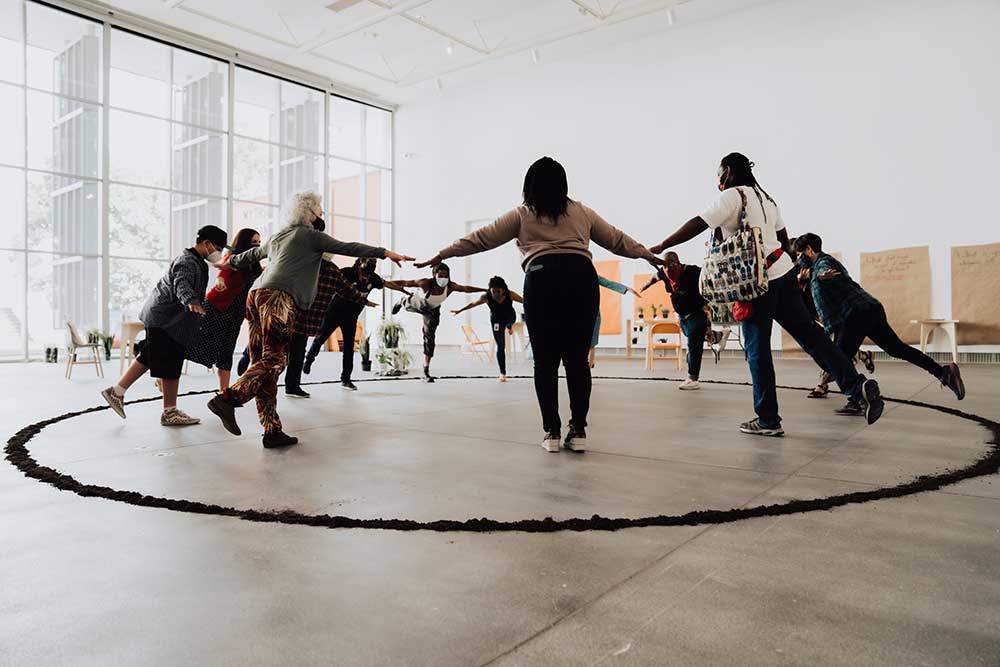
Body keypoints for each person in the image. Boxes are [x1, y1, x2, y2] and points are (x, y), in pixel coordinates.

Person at [417, 156, 663, 453]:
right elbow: (616, 239)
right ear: (563, 184)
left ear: (528, 186)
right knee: (576, 359)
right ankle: (579, 429)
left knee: (545, 361)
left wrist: (441, 254)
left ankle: (552, 432)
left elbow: (480, 239)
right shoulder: (581, 212)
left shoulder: (522, 214)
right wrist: (648, 255)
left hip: (542, 278)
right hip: (581, 278)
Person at [650, 152, 884, 436]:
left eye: (719, 173)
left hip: (755, 284)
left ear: (728, 172)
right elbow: (786, 242)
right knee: (812, 336)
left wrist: (663, 244)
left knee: (757, 350)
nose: (718, 179)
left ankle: (768, 419)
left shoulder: (733, 196)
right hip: (783, 274)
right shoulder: (767, 200)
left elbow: (700, 222)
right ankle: (857, 387)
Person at [205, 191, 413, 449]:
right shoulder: (311, 236)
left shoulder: (280, 236)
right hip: (279, 298)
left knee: (263, 365)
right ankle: (228, 398)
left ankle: (272, 430)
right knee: (275, 360)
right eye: (320, 212)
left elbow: (250, 256)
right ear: (310, 214)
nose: (322, 215)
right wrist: (385, 252)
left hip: (256, 295)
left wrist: (227, 264)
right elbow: (348, 248)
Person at [794, 232, 965, 412]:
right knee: (897, 349)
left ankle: (858, 398)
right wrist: (804, 283)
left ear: (809, 250)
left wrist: (823, 275)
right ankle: (944, 373)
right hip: (869, 308)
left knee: (837, 360)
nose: (798, 260)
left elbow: (825, 272)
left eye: (799, 255)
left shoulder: (823, 264)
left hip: (855, 314)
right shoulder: (811, 272)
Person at [101, 225, 229, 426]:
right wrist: (190, 301)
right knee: (171, 361)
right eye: (219, 247)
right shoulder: (187, 261)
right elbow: (182, 284)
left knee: (149, 356)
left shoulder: (196, 261)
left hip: (166, 318)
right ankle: (169, 411)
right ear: (206, 244)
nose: (219, 252)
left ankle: (116, 392)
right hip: (166, 319)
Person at [302, 257, 410, 390]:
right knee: (320, 339)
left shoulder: (373, 278)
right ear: (361, 261)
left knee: (349, 348)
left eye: (375, 262)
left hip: (351, 317)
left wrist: (401, 289)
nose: (373, 264)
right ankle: (309, 358)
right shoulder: (347, 272)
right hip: (334, 313)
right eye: (371, 261)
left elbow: (387, 284)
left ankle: (346, 379)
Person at [283, 252, 375, 399]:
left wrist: (365, 301)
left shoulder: (332, 271)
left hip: (325, 318)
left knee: (297, 353)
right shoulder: (331, 270)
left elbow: (349, 290)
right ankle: (302, 368)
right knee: (298, 348)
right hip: (314, 315)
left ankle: (294, 385)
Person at [185, 228, 263, 391]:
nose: (256, 246)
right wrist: (220, 281)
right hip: (216, 308)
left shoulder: (255, 266)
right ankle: (164, 376)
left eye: (258, 243)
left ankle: (223, 393)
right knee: (195, 344)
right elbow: (222, 272)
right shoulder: (233, 259)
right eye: (252, 242)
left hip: (236, 313)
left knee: (227, 352)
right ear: (243, 243)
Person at [390, 263, 486, 383]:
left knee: (429, 337)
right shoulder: (424, 283)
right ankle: (402, 301)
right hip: (419, 302)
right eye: (440, 275)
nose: (443, 278)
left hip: (433, 310)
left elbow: (466, 289)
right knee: (410, 303)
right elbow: (405, 282)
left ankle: (426, 368)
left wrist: (484, 289)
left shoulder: (450, 286)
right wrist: (383, 283)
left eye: (446, 276)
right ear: (434, 275)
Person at [640, 251, 709, 389]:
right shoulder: (664, 272)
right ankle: (716, 336)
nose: (668, 270)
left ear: (677, 263)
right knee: (693, 342)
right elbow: (654, 277)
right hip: (683, 318)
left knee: (694, 345)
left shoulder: (692, 271)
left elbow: (708, 276)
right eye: (666, 267)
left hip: (697, 313)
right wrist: (645, 286)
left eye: (671, 266)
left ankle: (693, 378)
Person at [450, 276, 524, 381]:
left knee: (510, 322)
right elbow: (473, 304)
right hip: (496, 321)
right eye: (493, 291)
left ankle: (509, 327)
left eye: (498, 291)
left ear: (503, 289)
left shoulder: (510, 294)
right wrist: (460, 310)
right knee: (501, 346)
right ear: (490, 290)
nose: (496, 294)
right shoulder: (486, 297)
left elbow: (524, 301)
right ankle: (502, 373)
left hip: (509, 317)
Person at [590, 275, 641, 369]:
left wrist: (626, 289)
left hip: (593, 313)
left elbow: (609, 283)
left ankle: (588, 368)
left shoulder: (592, 274)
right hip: (579, 314)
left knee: (592, 343)